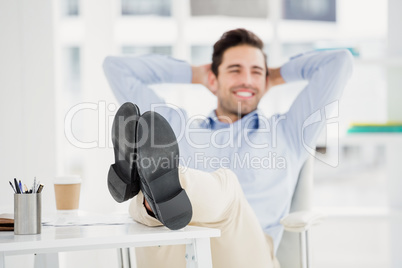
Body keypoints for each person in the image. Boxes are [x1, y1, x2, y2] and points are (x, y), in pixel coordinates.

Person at [103, 28, 354, 268]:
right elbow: (116, 68)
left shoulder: (289, 131)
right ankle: (151, 201)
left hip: (248, 252)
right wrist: (196, 74)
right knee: (150, 219)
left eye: (256, 72)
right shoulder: (179, 128)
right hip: (182, 244)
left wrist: (277, 74)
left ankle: (154, 187)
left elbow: (339, 62)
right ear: (214, 79)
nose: (246, 79)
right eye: (235, 70)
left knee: (228, 189)